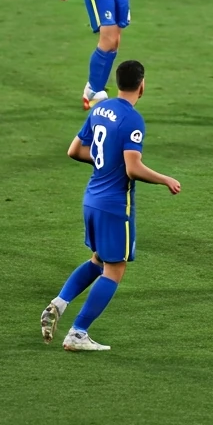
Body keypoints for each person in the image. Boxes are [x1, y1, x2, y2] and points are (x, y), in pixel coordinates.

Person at [40, 60, 181, 352]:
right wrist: (165, 179)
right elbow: (132, 168)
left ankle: (58, 303)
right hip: (115, 204)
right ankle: (78, 333)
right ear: (142, 85)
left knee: (98, 259)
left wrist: (105, 163)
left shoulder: (99, 109)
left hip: (91, 197)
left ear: (118, 83)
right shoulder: (132, 119)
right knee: (114, 269)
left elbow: (74, 150)